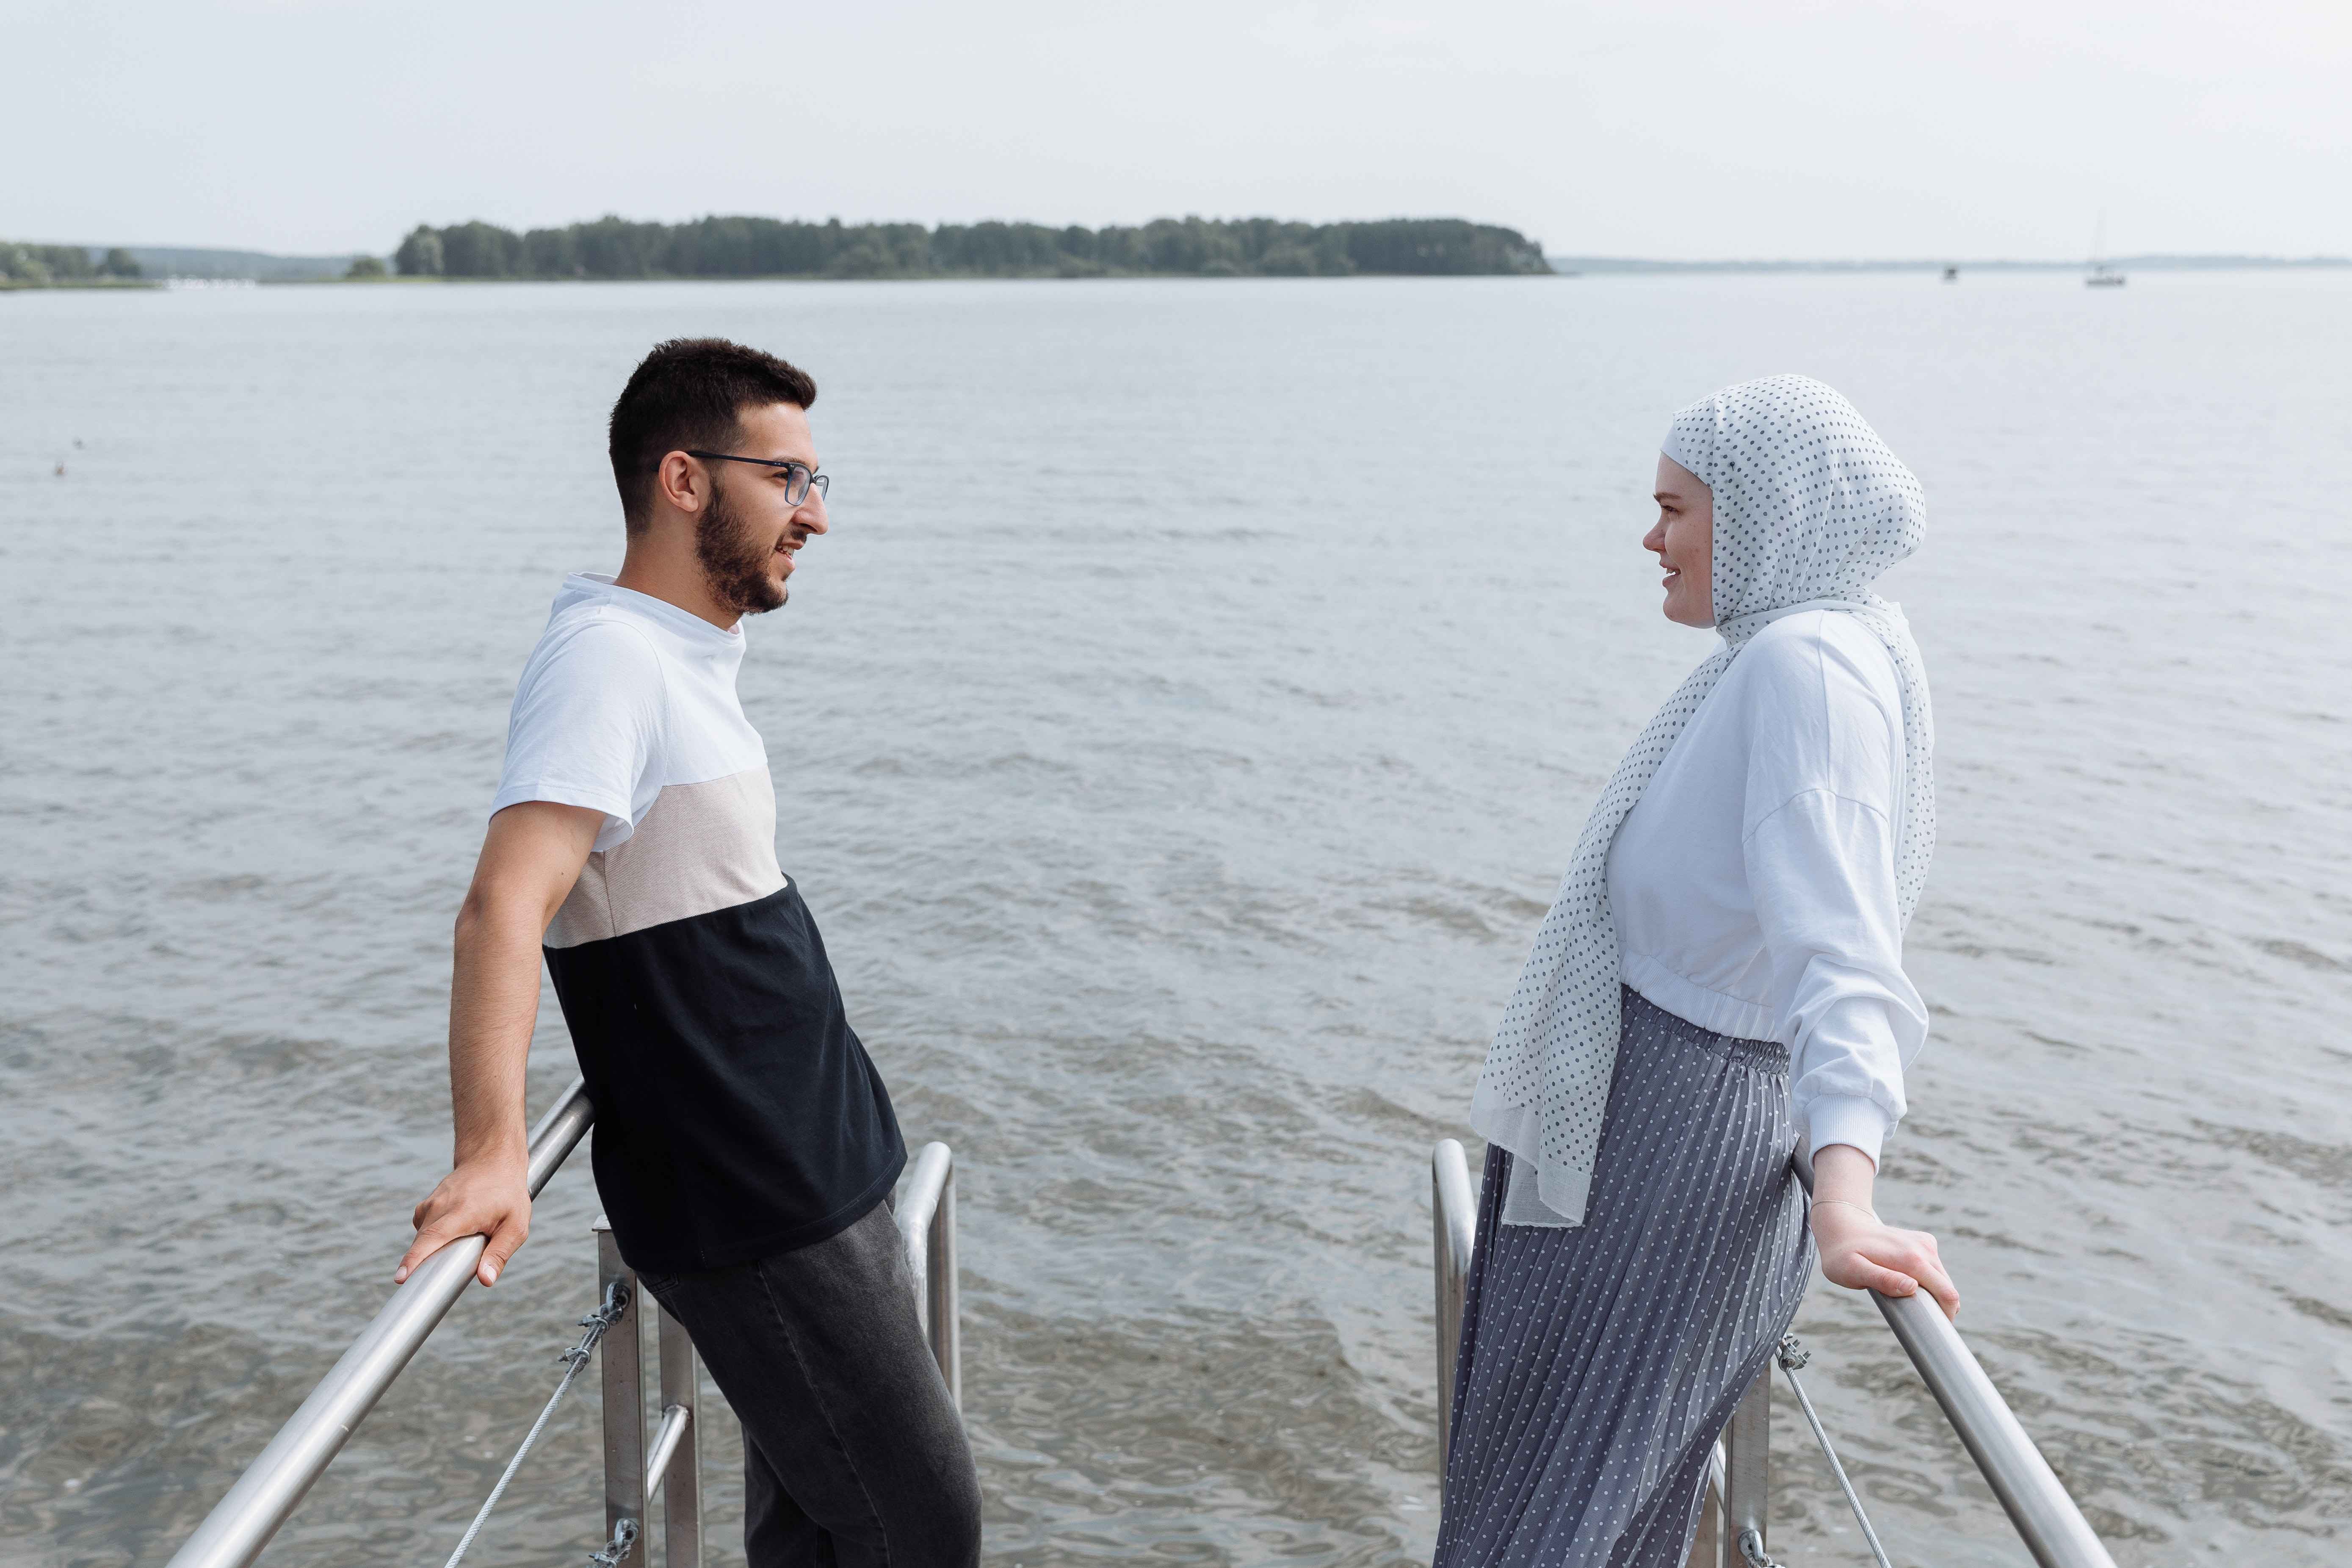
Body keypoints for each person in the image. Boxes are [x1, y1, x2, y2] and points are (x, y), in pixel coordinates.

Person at [395, 337, 982, 1568]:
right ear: (683, 479)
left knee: (821, 1526)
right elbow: (503, 906)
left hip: (820, 1166)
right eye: (788, 479)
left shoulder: (681, 653)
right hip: (755, 1196)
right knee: (923, 1528)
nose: (814, 514)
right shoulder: (607, 659)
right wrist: (492, 1151)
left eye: (817, 482)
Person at [1434, 376, 1960, 1566]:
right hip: (1633, 1111)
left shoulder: (1806, 667)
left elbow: (1845, 958)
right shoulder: (1772, 657)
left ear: (1768, 512)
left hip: (1674, 1137)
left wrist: (1844, 1197)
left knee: (1559, 1519)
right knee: (1545, 1504)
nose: (1650, 539)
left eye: (1675, 509)